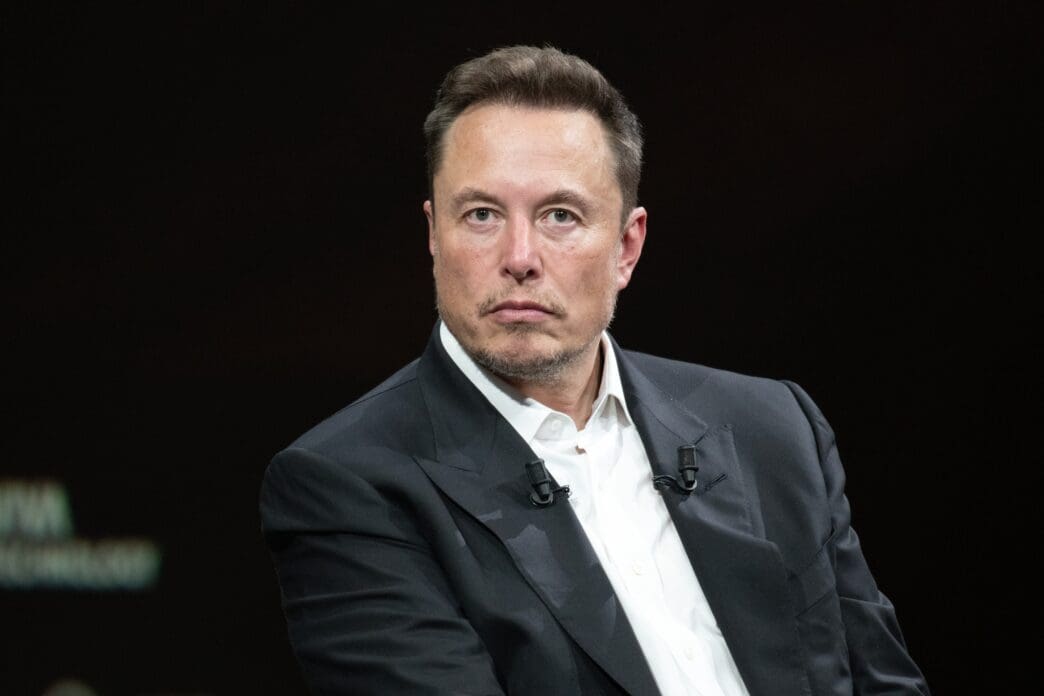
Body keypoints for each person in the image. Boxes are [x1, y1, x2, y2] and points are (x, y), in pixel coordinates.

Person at [260, 45, 929, 696]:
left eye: (560, 215)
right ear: (435, 234)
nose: (519, 256)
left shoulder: (773, 429)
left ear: (627, 247)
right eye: (483, 214)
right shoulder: (346, 484)